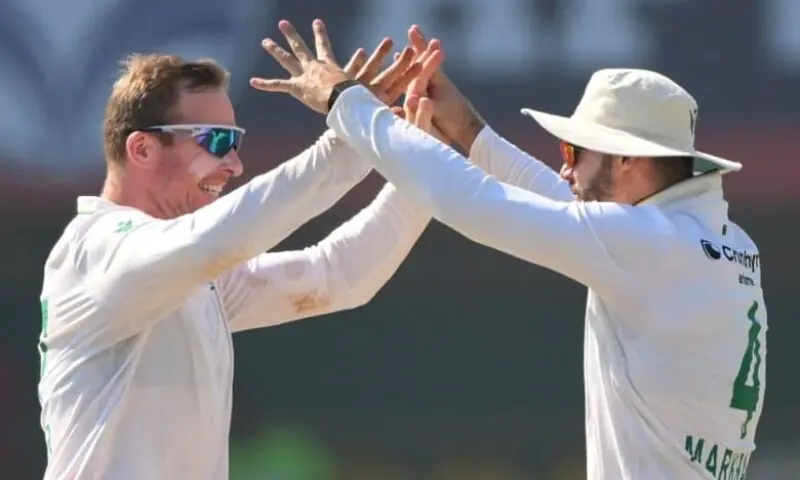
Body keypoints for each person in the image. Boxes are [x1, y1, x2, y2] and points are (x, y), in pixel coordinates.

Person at [252, 20, 767, 480]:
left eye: (575, 151)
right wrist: (468, 131)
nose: (565, 167)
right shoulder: (718, 241)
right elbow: (568, 214)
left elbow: (475, 202)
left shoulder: (645, 243)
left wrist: (347, 102)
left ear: (630, 159)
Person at [37, 29, 443, 479]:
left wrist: (423, 168)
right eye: (214, 141)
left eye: (236, 142)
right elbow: (222, 238)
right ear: (143, 148)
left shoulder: (185, 272)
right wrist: (350, 129)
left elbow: (337, 276)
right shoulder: (98, 248)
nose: (233, 165)